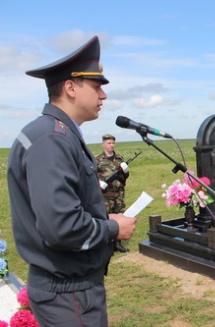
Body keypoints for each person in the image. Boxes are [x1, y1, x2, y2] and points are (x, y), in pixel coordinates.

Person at [7, 36, 137, 326]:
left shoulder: (55, 133)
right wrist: (113, 228)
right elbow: (61, 226)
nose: (103, 95)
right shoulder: (53, 139)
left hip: (70, 290)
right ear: (70, 88)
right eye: (96, 86)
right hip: (68, 294)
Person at [96, 134, 130, 252]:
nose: (111, 145)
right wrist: (99, 183)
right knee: (107, 218)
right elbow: (91, 177)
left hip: (119, 193)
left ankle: (117, 243)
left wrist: (126, 171)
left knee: (120, 217)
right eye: (109, 143)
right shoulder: (98, 160)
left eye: (113, 143)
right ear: (103, 144)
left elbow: (125, 177)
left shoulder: (119, 159)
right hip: (106, 195)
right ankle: (106, 244)